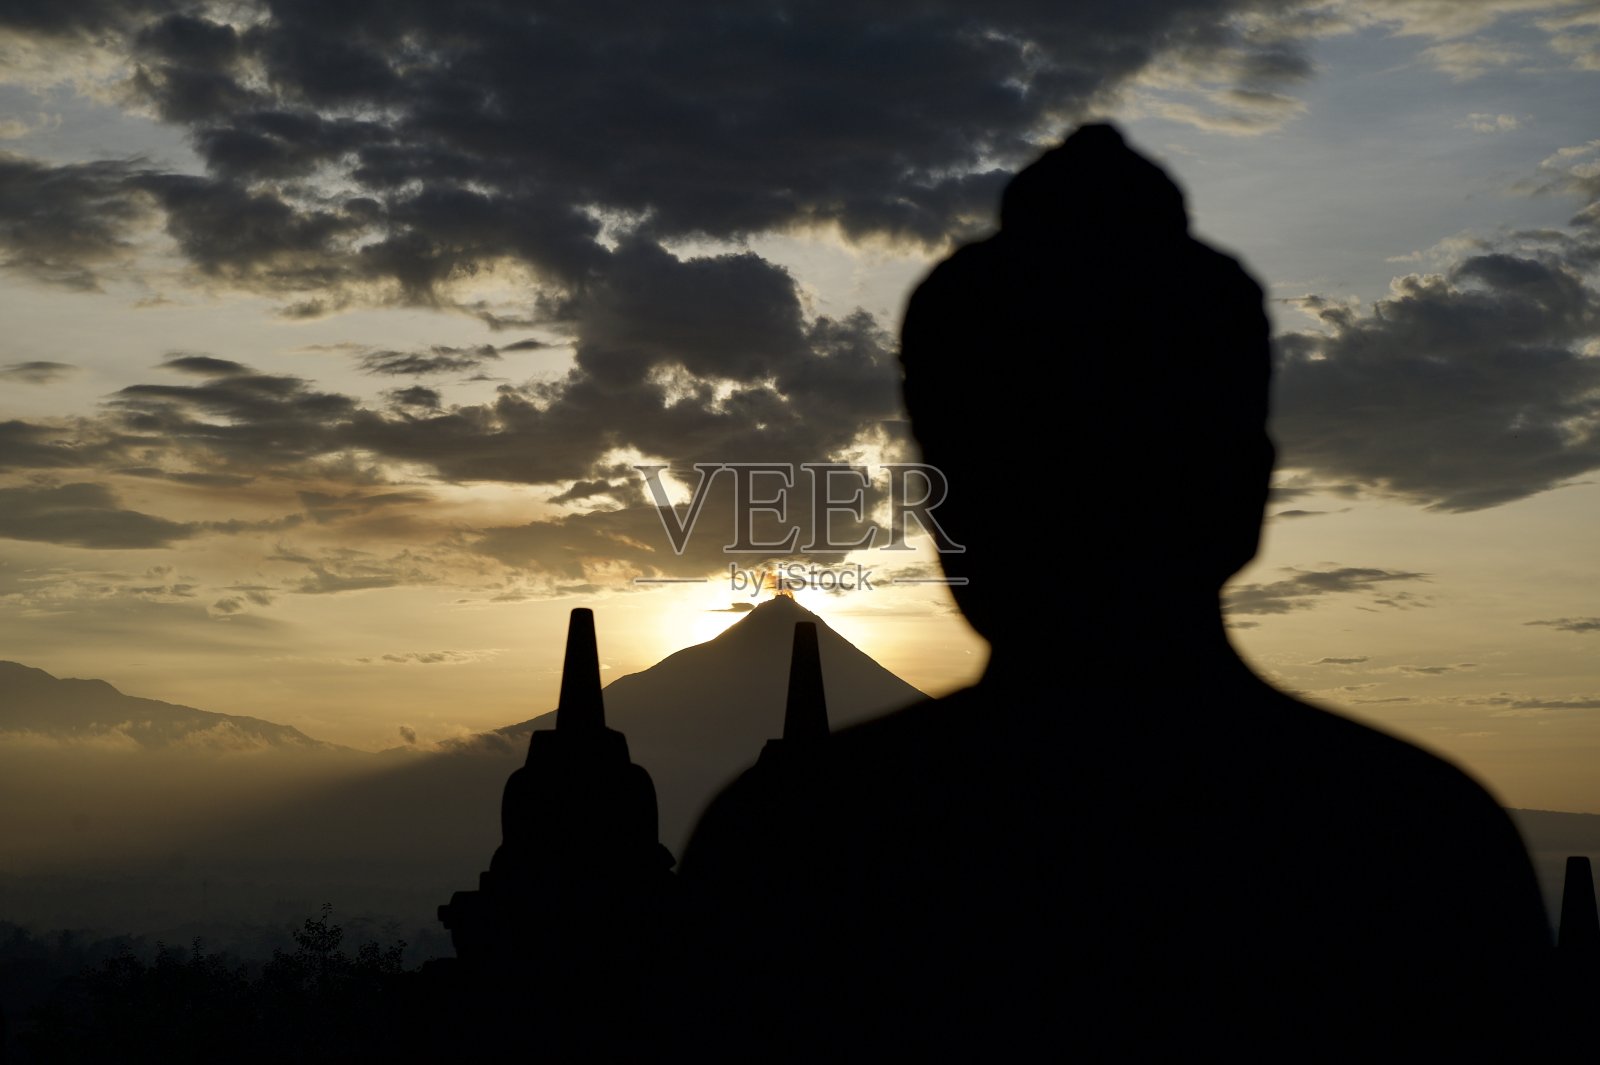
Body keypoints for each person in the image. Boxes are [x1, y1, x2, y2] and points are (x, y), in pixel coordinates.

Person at [680, 123, 1553, 1059]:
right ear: (1246, 493)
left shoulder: (801, 854)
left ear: (942, 509)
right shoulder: (1415, 850)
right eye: (1037, 472)